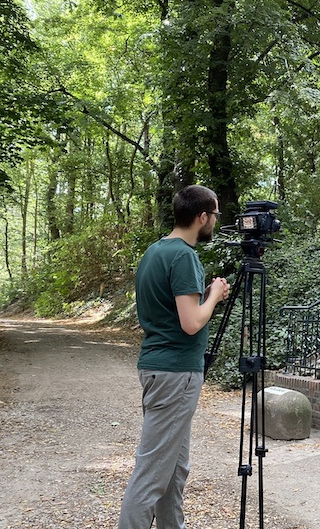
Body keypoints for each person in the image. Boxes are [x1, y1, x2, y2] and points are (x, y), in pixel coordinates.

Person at [119, 185, 231, 529]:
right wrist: (215, 295)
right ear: (202, 217)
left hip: (158, 367)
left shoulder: (155, 251)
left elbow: (168, 310)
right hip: (176, 374)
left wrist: (205, 295)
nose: (215, 221)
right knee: (151, 473)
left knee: (174, 469)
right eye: (215, 215)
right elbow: (191, 322)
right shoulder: (184, 256)